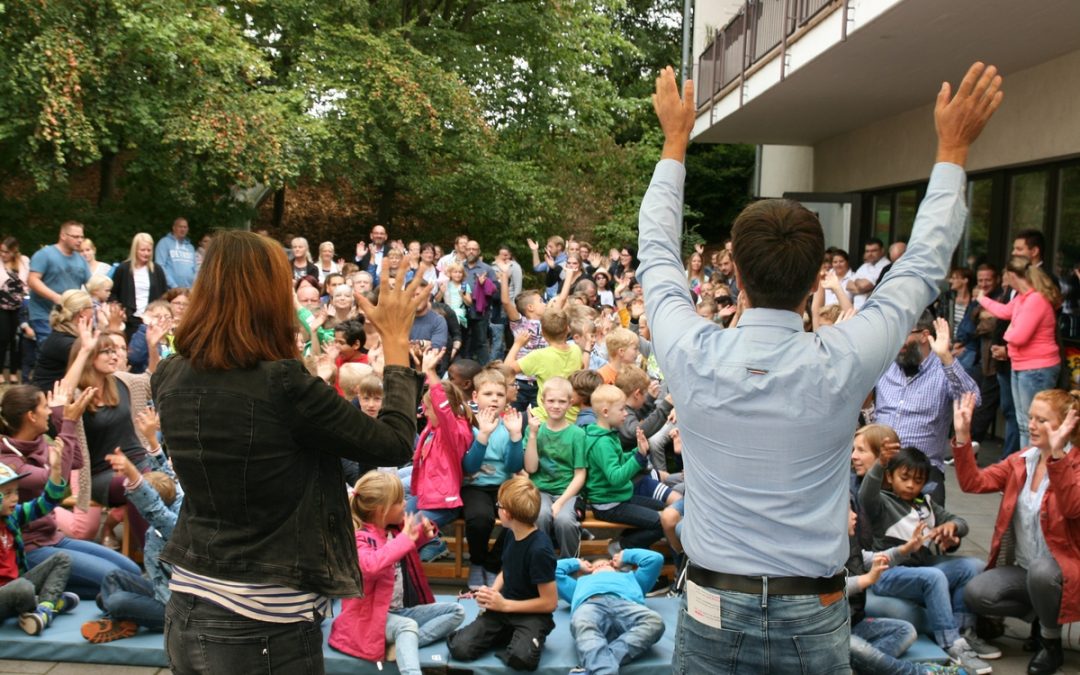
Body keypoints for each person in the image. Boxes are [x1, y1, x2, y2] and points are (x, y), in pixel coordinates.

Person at [638, 63, 1002, 673]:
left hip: (711, 605)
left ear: (737, 279)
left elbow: (655, 252)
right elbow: (918, 269)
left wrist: (675, 142)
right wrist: (953, 151)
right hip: (813, 608)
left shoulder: (689, 349)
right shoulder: (844, 358)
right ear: (816, 283)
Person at [153, 230, 422, 675]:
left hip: (186, 605)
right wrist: (394, 344)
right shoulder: (283, 385)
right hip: (262, 623)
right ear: (269, 297)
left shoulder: (170, 375)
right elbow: (393, 441)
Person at [953, 390, 1080, 675]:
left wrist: (1058, 456)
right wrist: (962, 436)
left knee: (1043, 572)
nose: (1031, 424)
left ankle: (1050, 642)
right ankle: (1044, 615)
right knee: (977, 593)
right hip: (1028, 569)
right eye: (1031, 417)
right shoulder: (1023, 460)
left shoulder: (1076, 462)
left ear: (1064, 426)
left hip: (1068, 570)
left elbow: (1073, 508)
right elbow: (974, 483)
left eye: (1042, 420)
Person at [859, 445, 993, 673]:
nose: (911, 485)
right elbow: (866, 494)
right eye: (905, 478)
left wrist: (952, 528)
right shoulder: (881, 502)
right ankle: (951, 642)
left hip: (920, 565)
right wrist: (880, 463)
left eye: (918, 480)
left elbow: (959, 522)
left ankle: (964, 632)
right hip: (888, 572)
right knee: (934, 576)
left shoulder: (926, 503)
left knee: (974, 566)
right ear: (890, 477)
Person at [0, 384, 140, 599]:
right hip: (31, 549)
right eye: (46, 407)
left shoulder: (37, 443)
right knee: (121, 581)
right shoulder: (8, 461)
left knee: (132, 571)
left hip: (54, 537)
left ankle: (49, 587)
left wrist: (60, 417)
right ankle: (38, 583)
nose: (49, 411)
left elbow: (76, 460)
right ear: (31, 416)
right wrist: (69, 421)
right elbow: (57, 483)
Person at [330, 472, 465, 674]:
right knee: (407, 626)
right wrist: (406, 540)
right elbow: (372, 565)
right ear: (381, 510)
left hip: (398, 611)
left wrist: (421, 535)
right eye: (399, 500)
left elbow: (401, 551)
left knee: (456, 611)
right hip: (371, 618)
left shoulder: (391, 531)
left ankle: (402, 645)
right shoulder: (359, 538)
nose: (405, 503)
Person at [447, 476, 558, 672]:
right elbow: (507, 569)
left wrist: (505, 604)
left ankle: (517, 636)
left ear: (506, 513)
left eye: (498, 504)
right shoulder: (511, 533)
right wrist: (492, 593)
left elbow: (550, 602)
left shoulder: (540, 549)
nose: (496, 508)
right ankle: (508, 634)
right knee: (459, 648)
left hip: (531, 613)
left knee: (522, 659)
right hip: (505, 608)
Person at [874, 312, 980, 506]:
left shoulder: (943, 370)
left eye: (902, 334)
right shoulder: (885, 364)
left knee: (929, 532)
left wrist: (947, 358)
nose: (896, 341)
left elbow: (972, 398)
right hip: (882, 466)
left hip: (922, 471)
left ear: (924, 335)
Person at [85, 431, 181, 643]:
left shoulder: (173, 525)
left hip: (173, 608)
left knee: (116, 600)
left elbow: (154, 507)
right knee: (113, 578)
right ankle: (124, 619)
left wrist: (132, 474)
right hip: (159, 588)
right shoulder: (176, 498)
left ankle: (118, 619)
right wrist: (153, 442)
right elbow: (168, 478)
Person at [975, 255, 1061, 448]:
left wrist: (1009, 332)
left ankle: (1032, 469)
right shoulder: (1023, 298)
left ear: (1013, 276)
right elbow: (1004, 312)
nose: (1005, 280)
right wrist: (982, 299)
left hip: (1037, 368)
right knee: (1024, 423)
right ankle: (1026, 468)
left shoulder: (1035, 300)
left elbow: (1019, 336)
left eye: (1006, 275)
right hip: (1023, 364)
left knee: (1033, 425)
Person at [406, 348, 474, 563]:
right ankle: (433, 543)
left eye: (428, 408)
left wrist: (431, 372)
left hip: (443, 503)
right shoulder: (432, 429)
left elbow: (442, 408)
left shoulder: (454, 432)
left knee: (406, 534)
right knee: (394, 519)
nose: (424, 412)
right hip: (425, 496)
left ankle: (429, 545)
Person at [0, 456, 81, 635]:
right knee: (23, 588)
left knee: (62, 558)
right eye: (6, 493)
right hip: (7, 594)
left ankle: (44, 610)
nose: (14, 498)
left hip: (17, 585)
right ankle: (49, 603)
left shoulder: (12, 516)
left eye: (15, 491)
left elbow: (46, 503)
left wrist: (56, 470)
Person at [555, 548, 665, 675]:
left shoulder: (632, 578)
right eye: (597, 566)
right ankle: (603, 669)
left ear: (617, 568)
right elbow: (552, 570)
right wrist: (577, 563)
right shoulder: (579, 584)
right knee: (582, 623)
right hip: (591, 604)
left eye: (608, 563)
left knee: (654, 621)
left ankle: (596, 665)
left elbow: (655, 559)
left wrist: (625, 555)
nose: (603, 565)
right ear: (589, 571)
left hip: (626, 604)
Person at [525, 378, 587, 558]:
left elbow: (580, 474)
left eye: (562, 401)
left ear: (570, 403)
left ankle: (570, 565)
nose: (556, 406)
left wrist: (560, 502)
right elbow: (531, 467)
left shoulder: (577, 434)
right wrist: (533, 436)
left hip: (568, 492)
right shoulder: (534, 430)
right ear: (543, 402)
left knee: (565, 520)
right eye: (551, 401)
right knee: (541, 516)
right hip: (541, 490)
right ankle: (542, 562)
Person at [27, 221, 90, 343]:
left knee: (68, 353)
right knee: (48, 350)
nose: (80, 240)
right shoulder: (45, 254)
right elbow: (32, 280)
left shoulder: (81, 260)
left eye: (82, 237)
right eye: (75, 237)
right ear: (63, 236)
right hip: (44, 315)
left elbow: (91, 285)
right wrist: (56, 298)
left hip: (68, 317)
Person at [30, 290, 93, 395]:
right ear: (82, 312)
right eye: (92, 307)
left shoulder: (64, 335)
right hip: (48, 402)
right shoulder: (65, 343)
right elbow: (95, 366)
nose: (95, 311)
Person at [110, 233, 169, 338]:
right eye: (142, 250)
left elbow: (164, 296)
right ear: (135, 250)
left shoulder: (157, 270)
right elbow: (113, 294)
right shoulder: (123, 269)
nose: (146, 253)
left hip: (152, 320)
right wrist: (119, 311)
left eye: (149, 250)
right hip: (129, 320)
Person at [0, 237, 30, 384]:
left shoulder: (23, 262)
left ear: (13, 251)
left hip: (19, 305)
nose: (3, 254)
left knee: (16, 340)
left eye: (6, 252)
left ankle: (13, 372)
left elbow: (28, 282)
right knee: (3, 337)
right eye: (1, 251)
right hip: (2, 305)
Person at [154, 218, 196, 289]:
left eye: (185, 227)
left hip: (189, 291)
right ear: (174, 228)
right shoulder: (164, 243)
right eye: (180, 226)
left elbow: (195, 269)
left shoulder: (190, 247)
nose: (183, 229)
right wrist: (174, 286)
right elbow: (160, 266)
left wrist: (194, 287)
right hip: (170, 290)